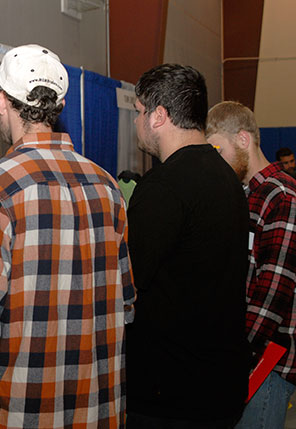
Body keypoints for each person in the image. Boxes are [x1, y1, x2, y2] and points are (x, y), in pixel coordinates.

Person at [0, 44, 136, 429]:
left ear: (1, 100)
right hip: (101, 411)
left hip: (20, 413)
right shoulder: (107, 186)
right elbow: (126, 304)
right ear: (61, 104)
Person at [126, 64, 251, 428]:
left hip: (171, 395)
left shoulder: (163, 187)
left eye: (138, 111)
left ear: (158, 116)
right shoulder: (228, 178)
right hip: (221, 387)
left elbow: (128, 281)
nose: (136, 122)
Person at [206, 101, 296, 429]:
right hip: (246, 352)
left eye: (218, 149)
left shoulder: (281, 196)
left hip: (268, 359)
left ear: (243, 139)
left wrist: (237, 354)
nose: (215, 160)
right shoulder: (246, 194)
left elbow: (274, 291)